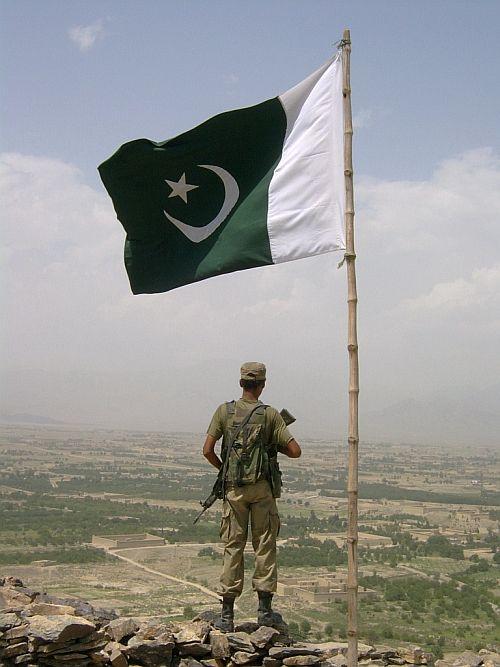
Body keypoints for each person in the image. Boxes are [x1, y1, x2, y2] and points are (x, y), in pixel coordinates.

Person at [202, 362, 301, 632]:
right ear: (263, 384)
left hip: (234, 490)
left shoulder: (225, 411)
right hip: (262, 490)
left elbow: (207, 450)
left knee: (233, 547)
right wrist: (272, 446)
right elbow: (295, 451)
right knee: (264, 546)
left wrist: (225, 469)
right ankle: (265, 613)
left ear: (240, 383)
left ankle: (226, 616)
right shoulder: (270, 415)